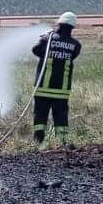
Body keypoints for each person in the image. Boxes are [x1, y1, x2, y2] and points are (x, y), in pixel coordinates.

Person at [31, 12, 81, 145]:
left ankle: (38, 141)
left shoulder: (46, 40)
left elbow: (35, 50)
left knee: (40, 115)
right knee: (61, 116)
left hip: (43, 88)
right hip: (62, 91)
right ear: (72, 27)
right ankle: (62, 143)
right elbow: (73, 56)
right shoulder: (75, 44)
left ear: (59, 24)